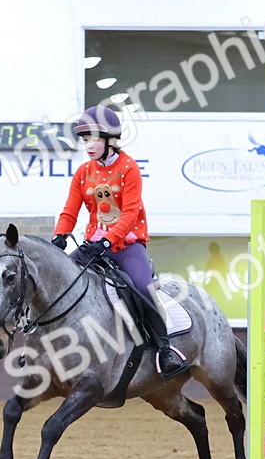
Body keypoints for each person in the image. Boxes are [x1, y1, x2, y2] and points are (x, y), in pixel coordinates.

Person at [51, 105, 188, 379]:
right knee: (56, 282)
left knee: (142, 287)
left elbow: (130, 212)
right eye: (85, 139)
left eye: (94, 139)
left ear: (110, 139)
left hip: (126, 246)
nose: (88, 146)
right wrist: (60, 235)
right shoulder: (82, 173)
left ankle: (165, 349)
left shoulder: (129, 168)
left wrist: (109, 240)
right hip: (93, 246)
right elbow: (70, 210)